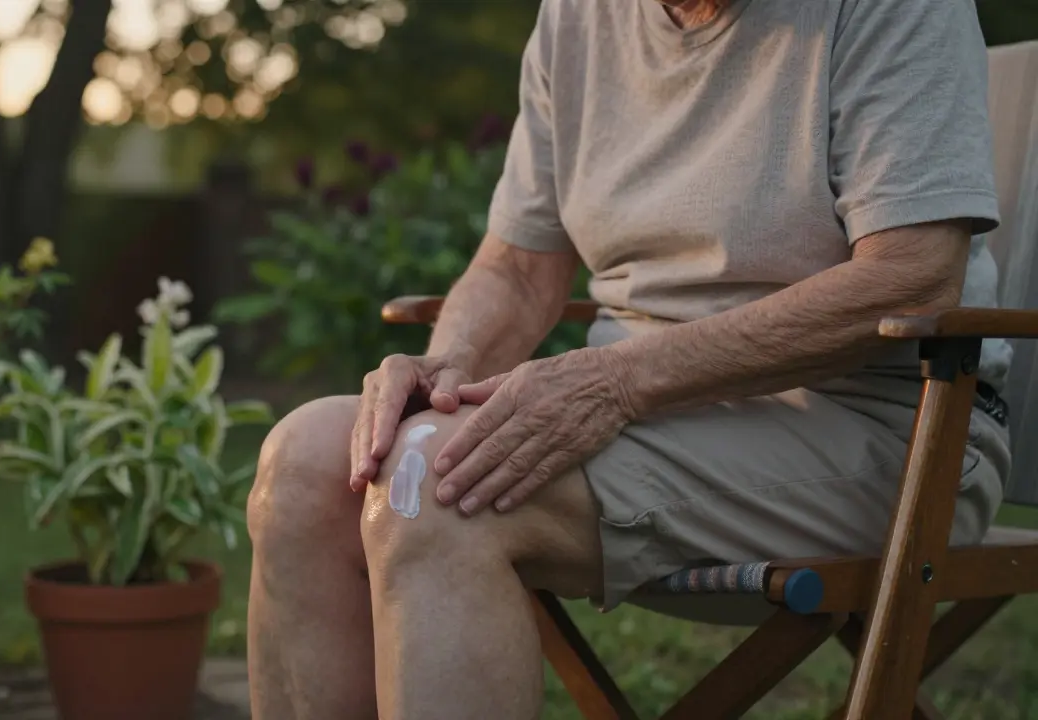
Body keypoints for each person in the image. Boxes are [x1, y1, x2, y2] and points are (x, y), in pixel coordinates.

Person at [245, 0, 1014, 717]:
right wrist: (446, 363)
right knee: (307, 465)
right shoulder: (578, 17)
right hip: (648, 421)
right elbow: (517, 265)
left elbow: (910, 273)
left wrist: (618, 382)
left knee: (436, 489)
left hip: (887, 428)